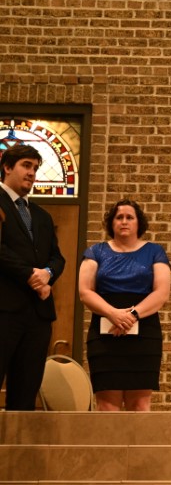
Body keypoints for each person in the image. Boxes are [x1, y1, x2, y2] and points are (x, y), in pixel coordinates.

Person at [78, 199, 171, 411]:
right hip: (105, 334)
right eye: (119, 217)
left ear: (139, 223)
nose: (124, 221)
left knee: (140, 405)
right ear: (111, 223)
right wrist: (113, 314)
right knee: (106, 405)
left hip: (144, 334)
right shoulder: (96, 252)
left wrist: (132, 315)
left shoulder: (155, 251)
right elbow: (85, 292)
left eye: (130, 217)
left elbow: (162, 292)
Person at [0, 143, 66, 410]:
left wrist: (47, 274)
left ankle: (19, 439)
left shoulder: (41, 215)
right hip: (4, 310)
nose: (32, 173)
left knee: (26, 394)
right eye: (26, 166)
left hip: (37, 316)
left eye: (35, 168)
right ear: (7, 167)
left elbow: (57, 257)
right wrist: (29, 275)